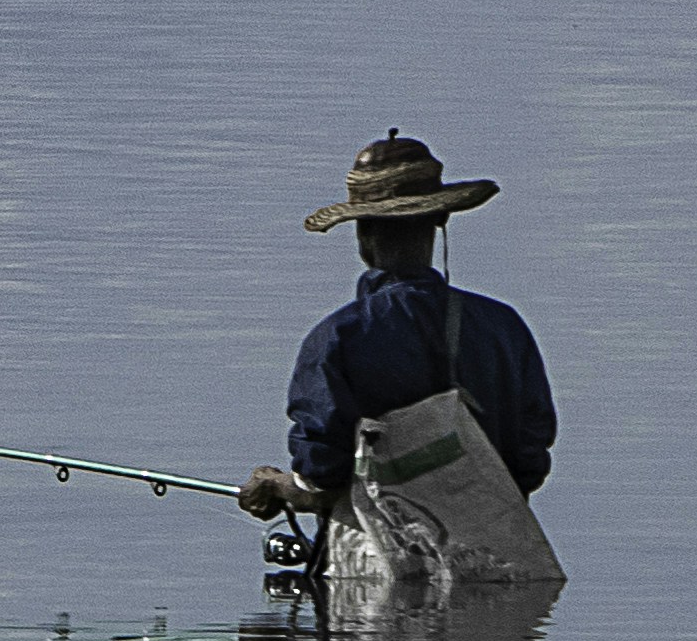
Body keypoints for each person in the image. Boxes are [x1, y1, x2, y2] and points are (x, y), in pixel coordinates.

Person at [233, 133, 555, 534]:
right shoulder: (504, 327)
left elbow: (321, 475)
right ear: (441, 220)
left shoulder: (337, 338)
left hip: (379, 571)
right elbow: (530, 461)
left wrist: (277, 485)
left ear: (362, 232)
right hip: (500, 556)